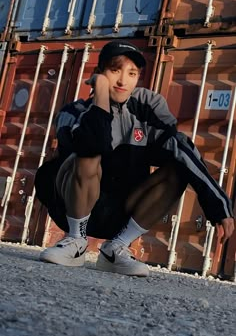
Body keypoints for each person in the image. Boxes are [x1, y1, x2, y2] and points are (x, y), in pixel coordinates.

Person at [35, 40, 234, 276]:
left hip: (122, 209)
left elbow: (182, 149)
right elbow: (93, 143)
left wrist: (219, 207)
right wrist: (100, 97)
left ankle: (116, 248)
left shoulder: (145, 110)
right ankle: (76, 242)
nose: (122, 81)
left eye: (132, 73)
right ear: (99, 73)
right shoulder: (73, 112)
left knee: (178, 167)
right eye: (114, 70)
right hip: (73, 208)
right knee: (87, 155)